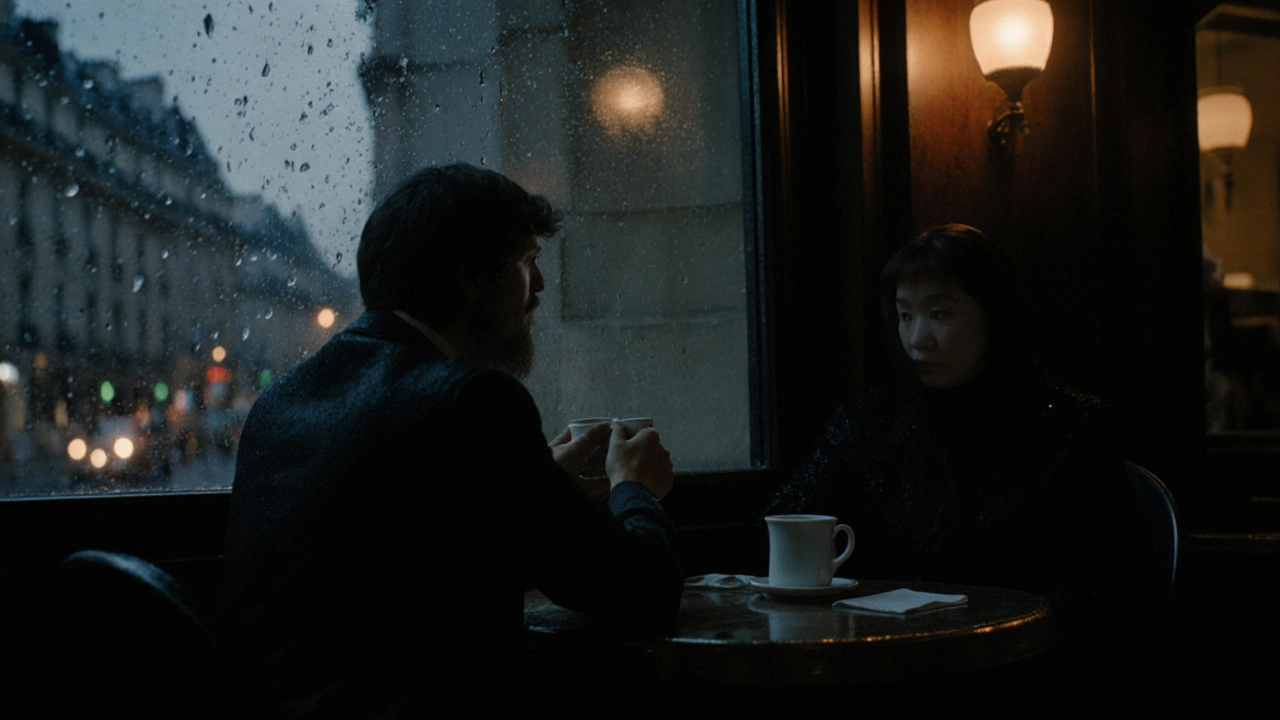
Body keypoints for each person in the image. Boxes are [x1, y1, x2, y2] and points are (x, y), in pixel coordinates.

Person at [218, 163, 681, 718]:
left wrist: (537, 483)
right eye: (528, 261)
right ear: (470, 276)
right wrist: (636, 489)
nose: (540, 286)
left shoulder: (281, 401)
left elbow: (401, 564)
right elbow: (641, 595)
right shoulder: (475, 403)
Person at [765, 223, 1159, 715]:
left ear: (994, 315)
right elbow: (791, 516)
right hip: (883, 672)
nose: (917, 340)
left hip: (1030, 676)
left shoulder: (1071, 428)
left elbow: (1109, 593)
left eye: (939, 314)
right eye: (905, 317)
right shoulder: (871, 424)